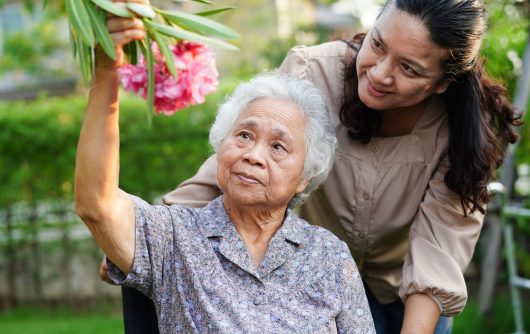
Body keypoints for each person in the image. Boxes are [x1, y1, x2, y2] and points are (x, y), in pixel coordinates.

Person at [157, 0, 522, 333]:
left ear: (443, 82)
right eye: (377, 45)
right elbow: (241, 159)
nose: (379, 73)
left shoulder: (460, 130)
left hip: (408, 291)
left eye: (408, 68)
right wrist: (155, 239)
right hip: (316, 280)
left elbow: (438, 248)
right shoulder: (312, 73)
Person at [74, 11, 376, 332]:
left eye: (278, 147)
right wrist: (107, 71)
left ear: (304, 177)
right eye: (244, 135)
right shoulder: (174, 238)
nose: (254, 155)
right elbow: (96, 204)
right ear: (221, 146)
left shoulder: (328, 255)